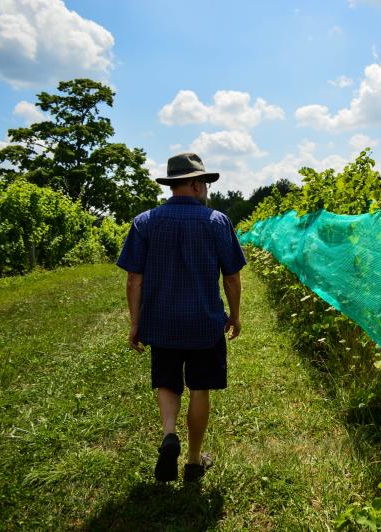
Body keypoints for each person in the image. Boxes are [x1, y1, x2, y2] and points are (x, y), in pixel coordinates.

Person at [116, 152, 247, 482]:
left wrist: (135, 323)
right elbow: (231, 277)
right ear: (193, 184)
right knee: (200, 387)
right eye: (203, 181)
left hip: (161, 322)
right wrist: (234, 315)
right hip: (204, 323)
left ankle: (169, 434)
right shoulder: (216, 222)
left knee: (167, 381)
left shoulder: (145, 221)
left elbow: (134, 278)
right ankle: (192, 460)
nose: (205, 187)